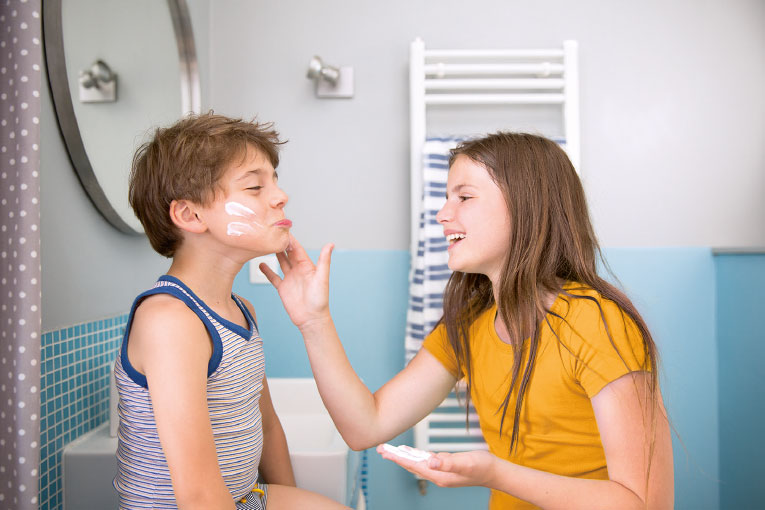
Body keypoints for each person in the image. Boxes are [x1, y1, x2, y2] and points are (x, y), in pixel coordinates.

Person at [261, 132, 674, 509]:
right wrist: (313, 321)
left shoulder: (597, 324)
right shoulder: (469, 325)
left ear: (527, 206)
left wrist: (494, 473)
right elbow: (365, 427)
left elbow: (643, 504)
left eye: (464, 197)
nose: (442, 214)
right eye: (446, 197)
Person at [113, 112, 347, 510]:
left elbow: (268, 427)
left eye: (274, 179)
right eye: (255, 186)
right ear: (190, 215)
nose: (280, 195)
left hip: (246, 498)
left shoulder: (242, 310)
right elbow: (200, 496)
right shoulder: (171, 322)